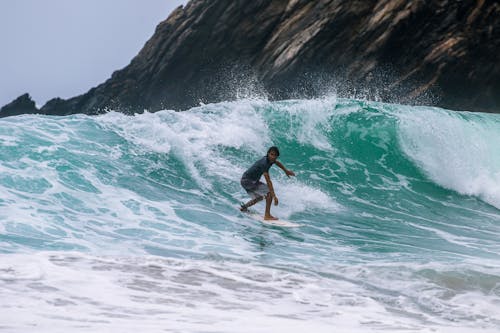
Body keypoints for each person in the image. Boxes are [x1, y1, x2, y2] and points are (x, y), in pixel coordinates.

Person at [240, 146, 295, 220]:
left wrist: (286, 171)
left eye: (275, 155)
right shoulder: (264, 163)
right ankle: (267, 215)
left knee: (259, 197)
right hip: (247, 181)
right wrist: (274, 196)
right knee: (269, 193)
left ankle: (244, 207)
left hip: (249, 180)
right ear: (268, 154)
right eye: (271, 154)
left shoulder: (271, 160)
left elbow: (277, 163)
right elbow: (268, 181)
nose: (273, 157)